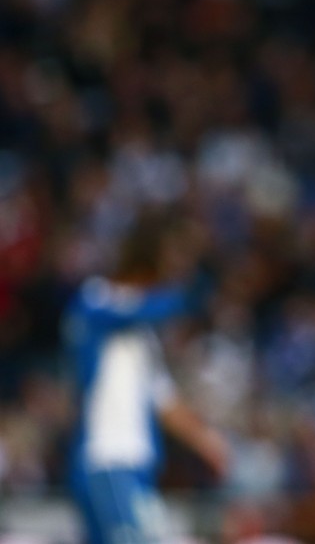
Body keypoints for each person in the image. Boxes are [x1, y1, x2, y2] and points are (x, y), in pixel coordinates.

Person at [64, 212, 230, 544]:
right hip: (107, 456)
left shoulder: (145, 338)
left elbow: (164, 400)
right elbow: (135, 310)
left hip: (137, 463)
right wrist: (191, 291)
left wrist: (206, 441)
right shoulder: (97, 297)